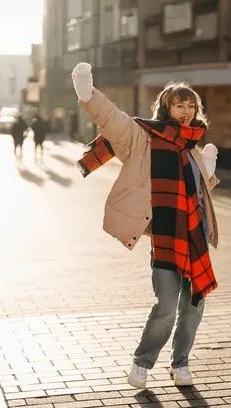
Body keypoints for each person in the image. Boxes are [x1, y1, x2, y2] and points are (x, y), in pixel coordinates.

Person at [72, 62, 220, 389]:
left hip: (194, 241)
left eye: (190, 105)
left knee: (193, 308)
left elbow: (194, 195)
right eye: (178, 104)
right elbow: (114, 122)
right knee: (166, 308)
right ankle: (142, 363)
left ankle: (180, 364)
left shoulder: (193, 148)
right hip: (166, 241)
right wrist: (88, 93)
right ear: (166, 108)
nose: (185, 110)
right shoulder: (145, 138)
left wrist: (208, 173)